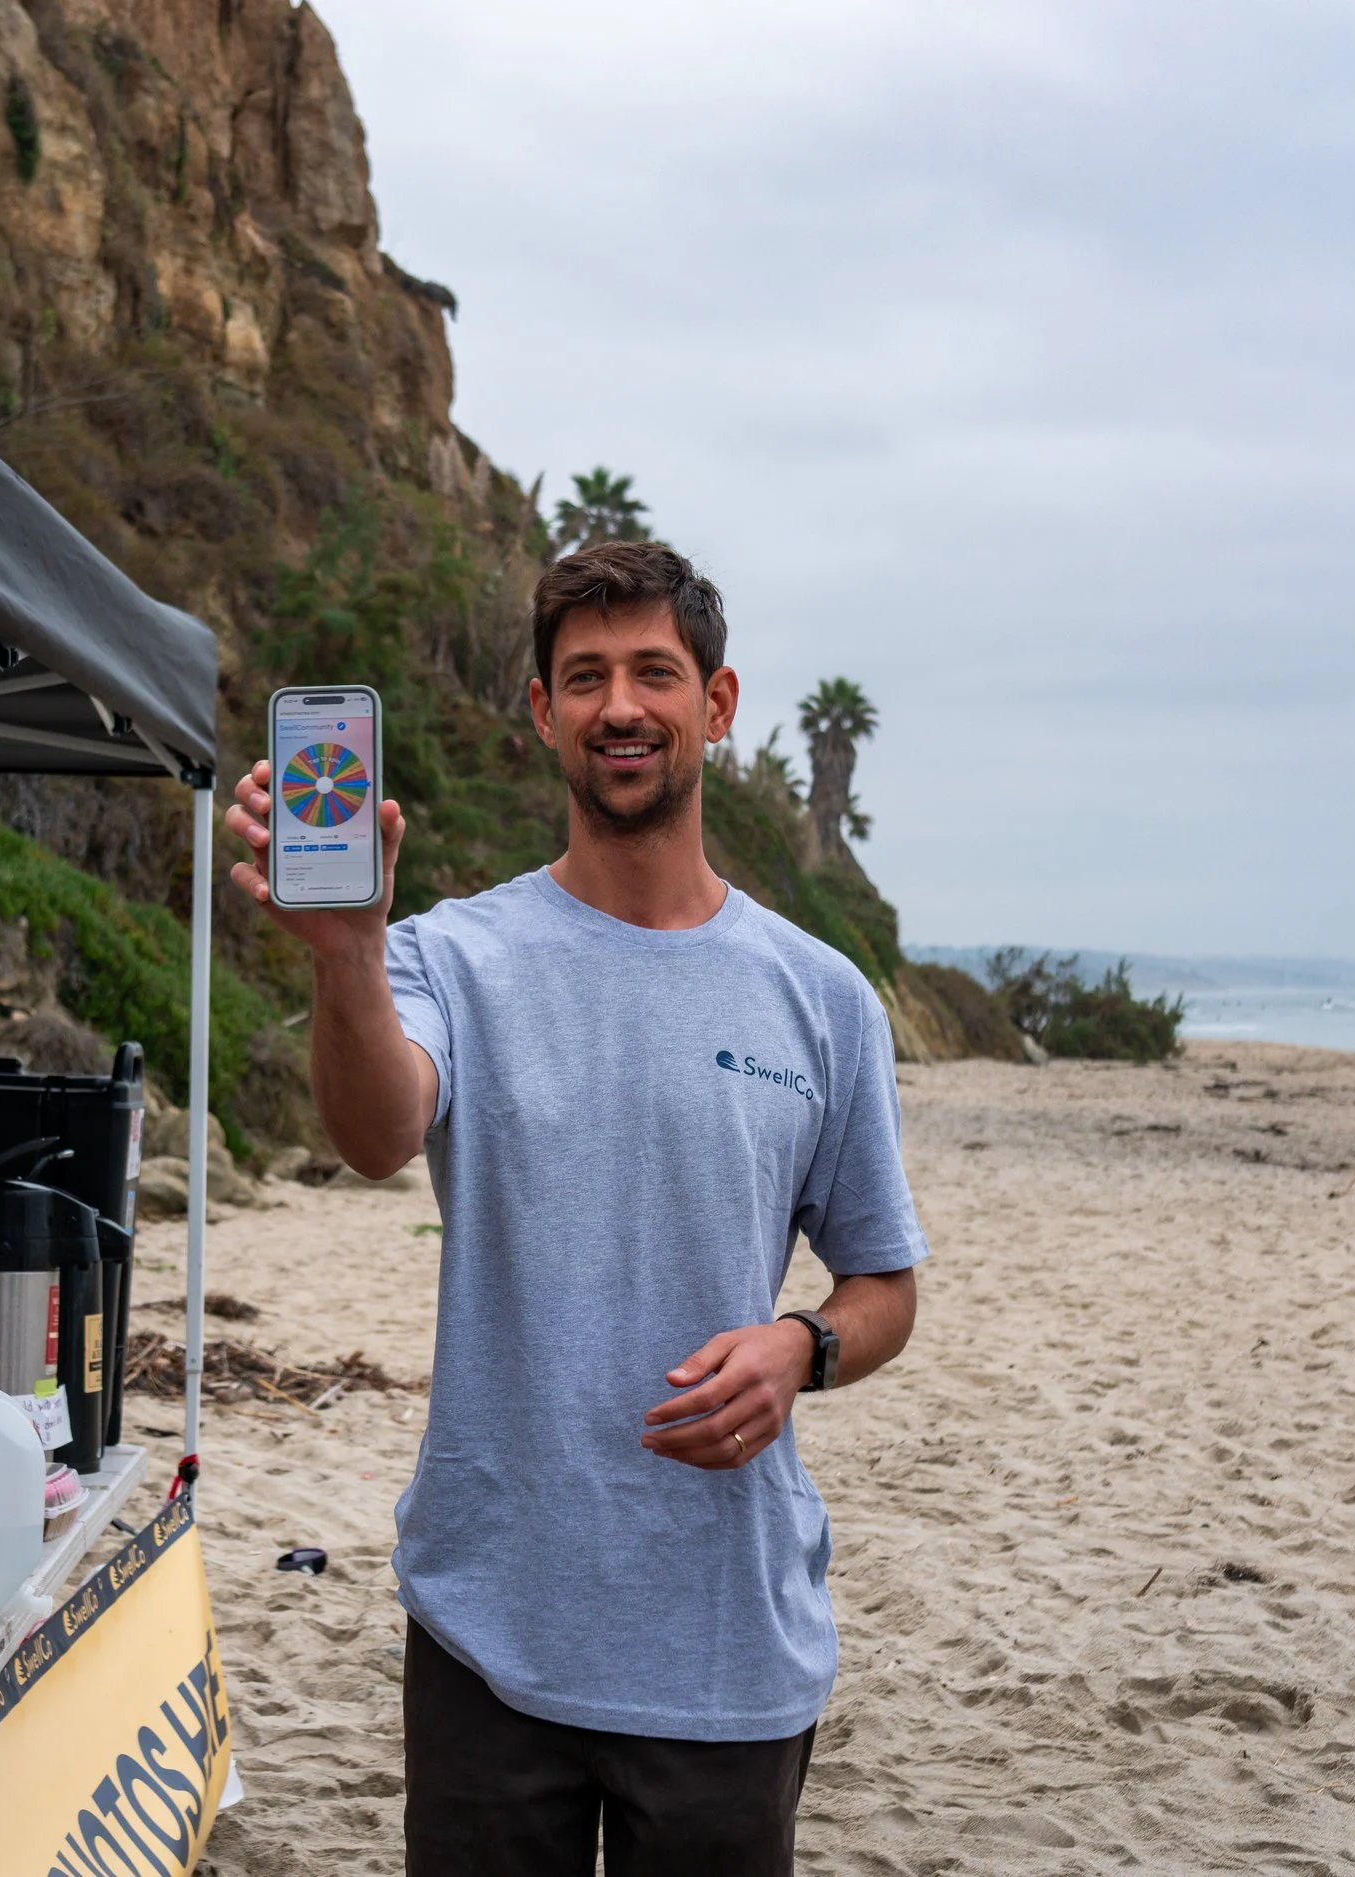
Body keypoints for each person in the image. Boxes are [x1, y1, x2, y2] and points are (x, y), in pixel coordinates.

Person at [226, 539, 925, 1876]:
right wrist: (351, 959)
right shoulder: (449, 956)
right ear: (544, 713)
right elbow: (377, 1133)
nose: (621, 706)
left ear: (715, 706)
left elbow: (883, 1286)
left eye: (654, 673)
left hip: (725, 1641)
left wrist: (800, 1349)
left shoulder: (820, 995)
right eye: (585, 676)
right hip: (493, 1624)